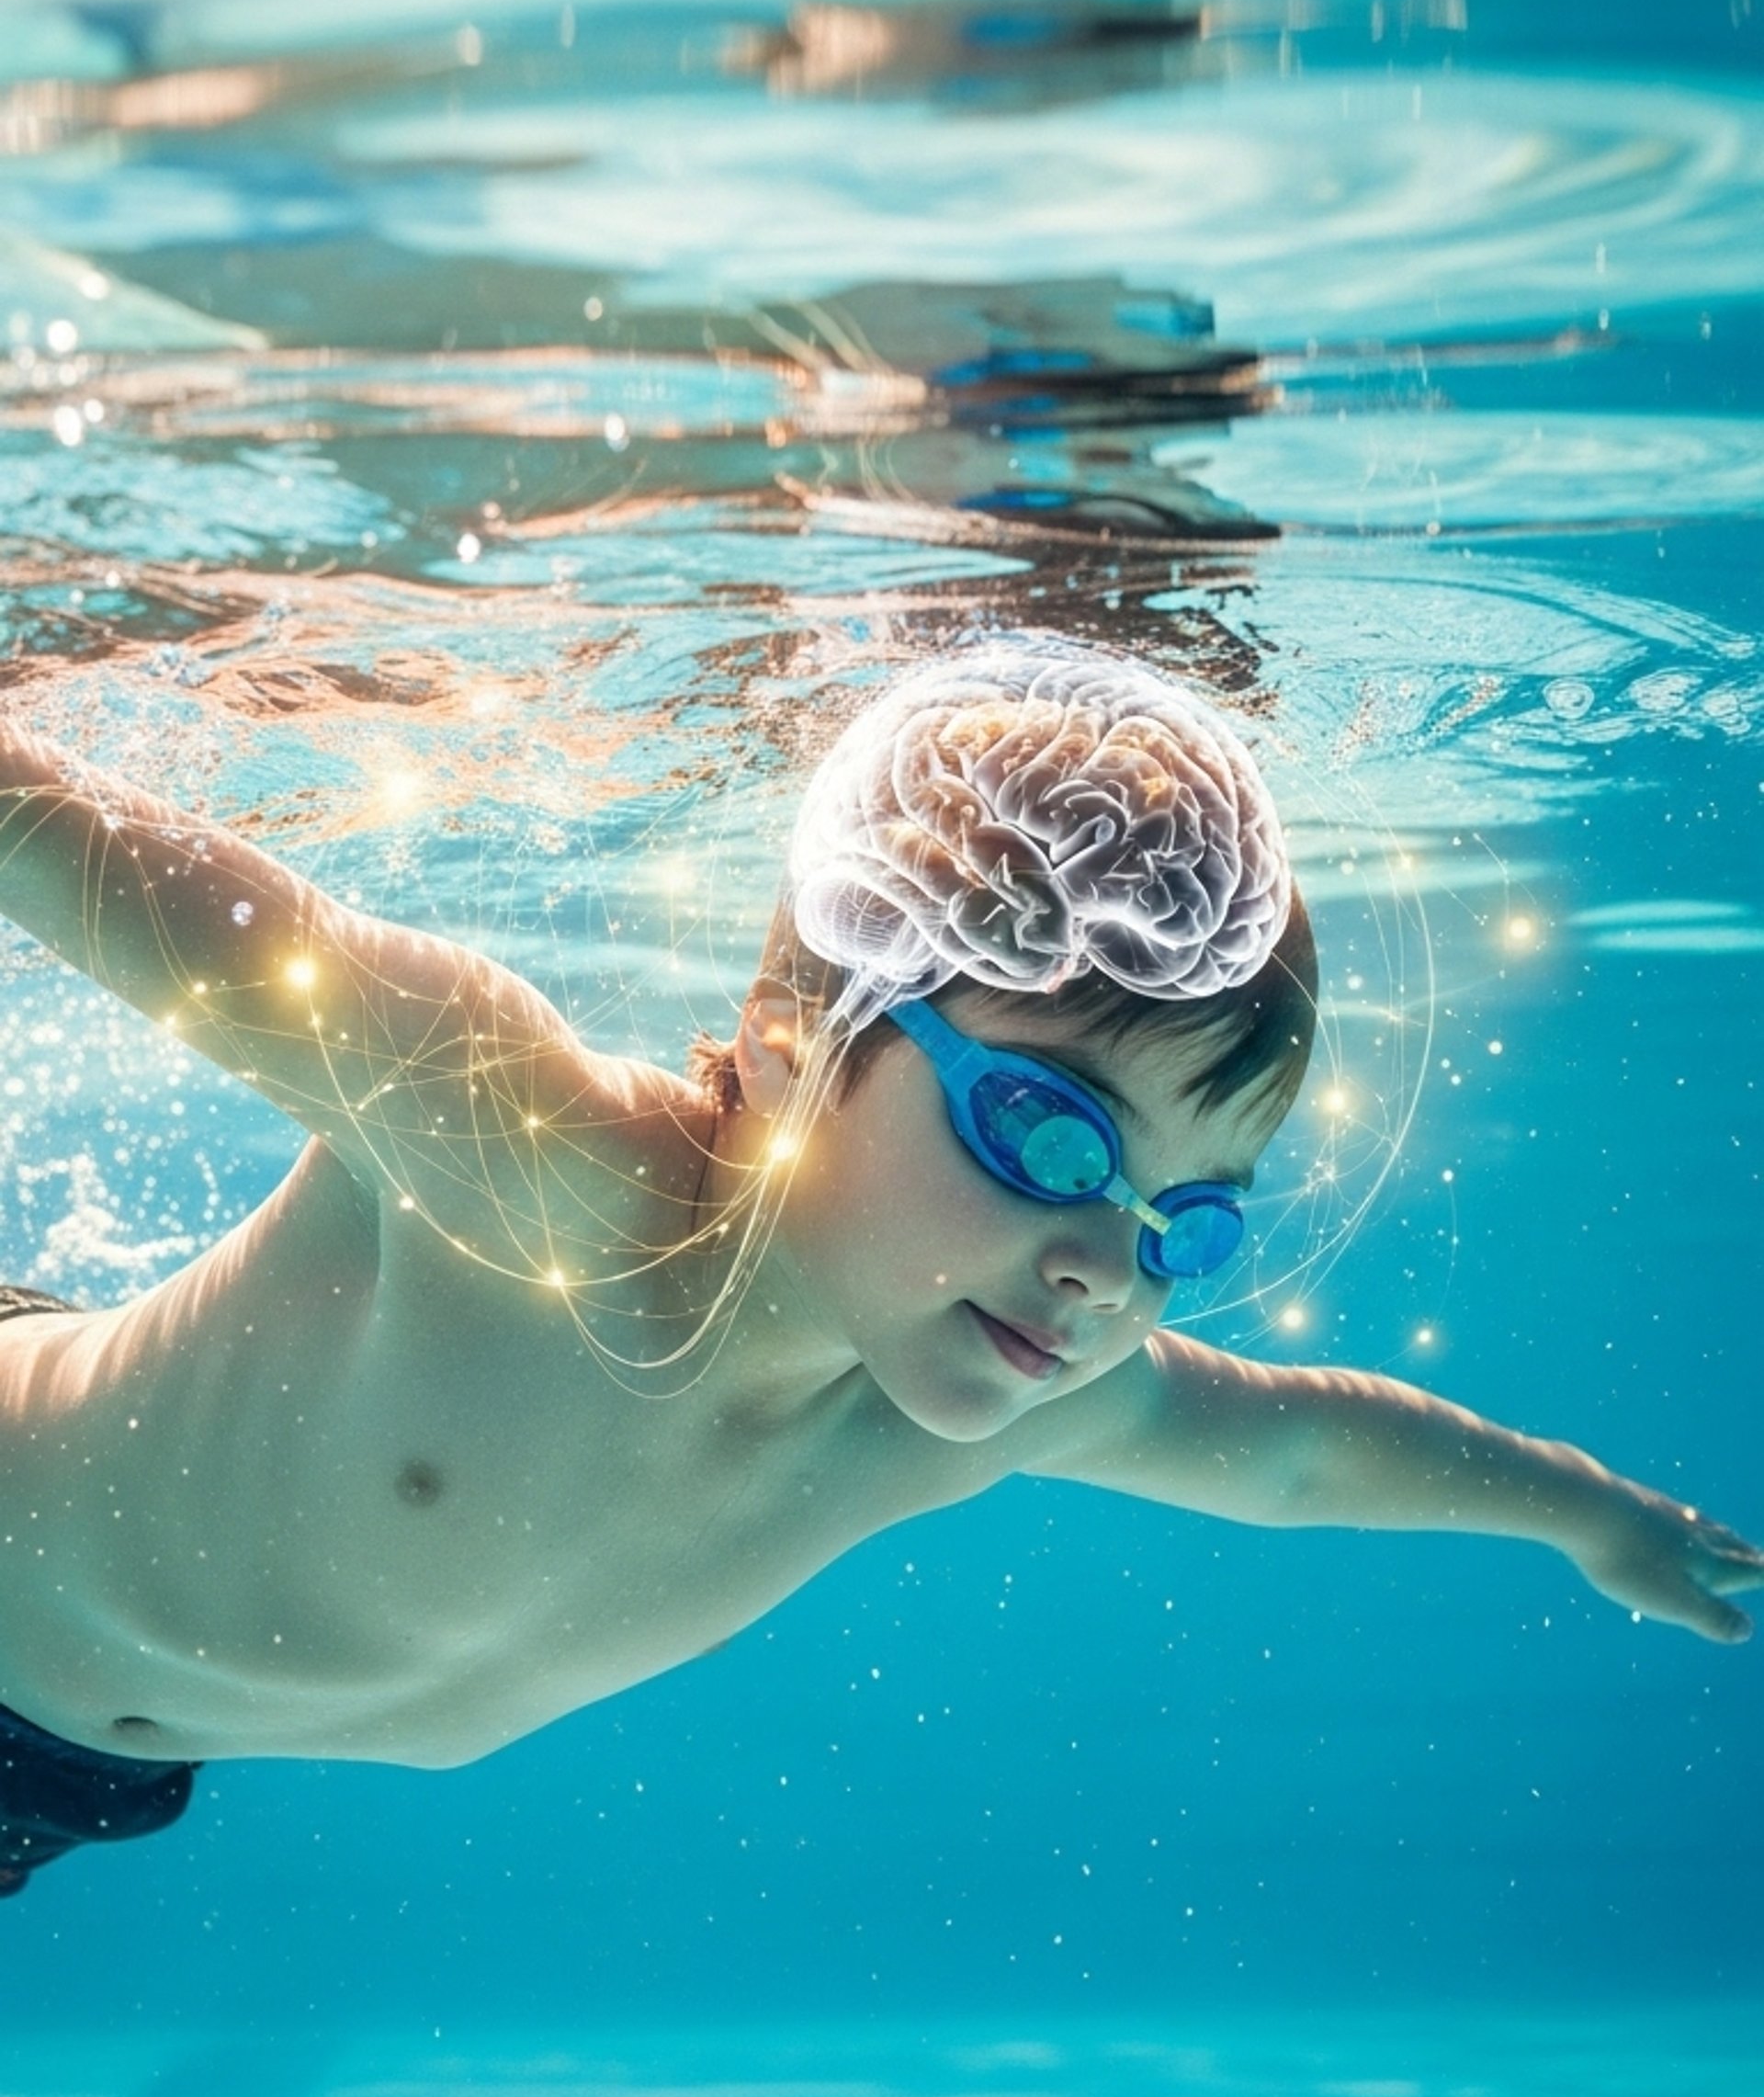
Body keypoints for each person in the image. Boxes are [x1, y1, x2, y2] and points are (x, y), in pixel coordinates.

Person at [0, 637, 1754, 1896]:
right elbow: (53, 839)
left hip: (79, 1778)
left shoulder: (953, 1419)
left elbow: (1296, 1445)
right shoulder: (536, 1159)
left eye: (1182, 1225)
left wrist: (1595, 1517)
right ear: (783, 1042)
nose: (1104, 1275)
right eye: (1052, 1138)